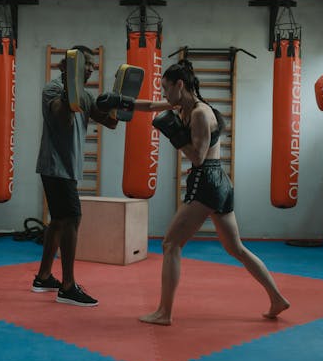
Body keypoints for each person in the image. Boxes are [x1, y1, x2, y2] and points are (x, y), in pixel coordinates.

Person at [97, 59, 290, 325]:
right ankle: (277, 298)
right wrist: (120, 101)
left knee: (171, 244)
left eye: (167, 88)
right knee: (236, 249)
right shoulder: (184, 105)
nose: (165, 95)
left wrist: (175, 134)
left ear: (180, 85)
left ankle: (164, 312)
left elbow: (197, 158)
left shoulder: (199, 113)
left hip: (207, 181)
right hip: (219, 181)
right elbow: (152, 106)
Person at [33, 45, 119, 307]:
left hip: (68, 168)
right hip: (54, 166)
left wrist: (116, 101)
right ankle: (67, 286)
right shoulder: (53, 89)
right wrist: (71, 87)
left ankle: (44, 277)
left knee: (58, 221)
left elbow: (111, 122)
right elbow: (63, 118)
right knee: (72, 217)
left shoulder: (85, 94)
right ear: (68, 67)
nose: (92, 68)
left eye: (93, 65)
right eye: (86, 64)